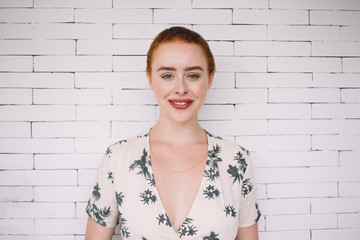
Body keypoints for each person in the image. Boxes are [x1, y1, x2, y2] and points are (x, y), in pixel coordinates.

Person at [85, 26, 261, 240]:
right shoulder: (117, 158)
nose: (180, 88)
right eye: (167, 75)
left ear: (210, 78)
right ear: (150, 78)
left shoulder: (237, 160)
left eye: (193, 75)